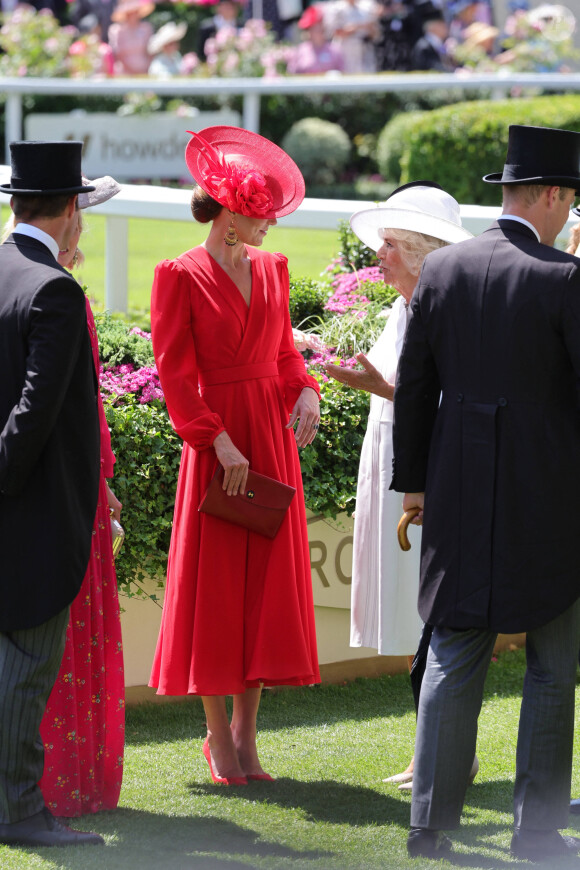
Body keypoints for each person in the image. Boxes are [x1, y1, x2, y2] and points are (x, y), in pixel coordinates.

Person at [391, 124, 580, 860]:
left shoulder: (442, 271)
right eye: (569, 200)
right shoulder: (565, 279)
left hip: (459, 491)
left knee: (452, 653)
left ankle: (428, 825)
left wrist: (413, 486)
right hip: (552, 499)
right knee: (552, 664)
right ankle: (537, 829)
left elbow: (415, 389)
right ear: (551, 194)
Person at [149, 126, 321, 784]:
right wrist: (214, 440)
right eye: (261, 213)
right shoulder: (178, 274)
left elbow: (282, 354)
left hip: (271, 443)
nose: (271, 225)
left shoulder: (274, 269)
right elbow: (174, 374)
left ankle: (248, 736)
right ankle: (218, 737)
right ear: (229, 212)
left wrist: (304, 391)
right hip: (217, 446)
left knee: (263, 593)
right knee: (218, 591)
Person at [324, 182, 473, 790]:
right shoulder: (400, 309)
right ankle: (432, 751)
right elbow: (392, 380)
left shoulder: (449, 311)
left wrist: (379, 388)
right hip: (393, 461)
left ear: (417, 249)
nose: (378, 256)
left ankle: (443, 755)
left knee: (429, 613)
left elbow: (436, 397)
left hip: (427, 468)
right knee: (414, 617)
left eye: (389, 244)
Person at [0, 140, 104, 847]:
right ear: (70, 210)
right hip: (29, 511)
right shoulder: (55, 289)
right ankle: (17, 811)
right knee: (28, 667)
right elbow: (35, 413)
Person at [35, 176, 126, 818]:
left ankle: (69, 778)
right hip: (66, 489)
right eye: (83, 214)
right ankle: (63, 782)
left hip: (85, 485)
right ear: (69, 212)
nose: (84, 227)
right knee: (64, 638)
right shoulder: (59, 293)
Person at [287, 5, 345, 75]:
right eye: (315, 28)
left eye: (320, 28)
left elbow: (342, 73)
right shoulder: (300, 51)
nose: (319, 31)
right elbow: (292, 74)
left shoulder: (334, 50)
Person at [109, 0, 155, 76]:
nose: (133, 15)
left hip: (144, 70)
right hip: (124, 72)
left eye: (135, 11)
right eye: (131, 12)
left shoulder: (146, 28)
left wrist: (146, 68)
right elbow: (118, 54)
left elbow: (150, 51)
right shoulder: (117, 30)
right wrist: (132, 71)